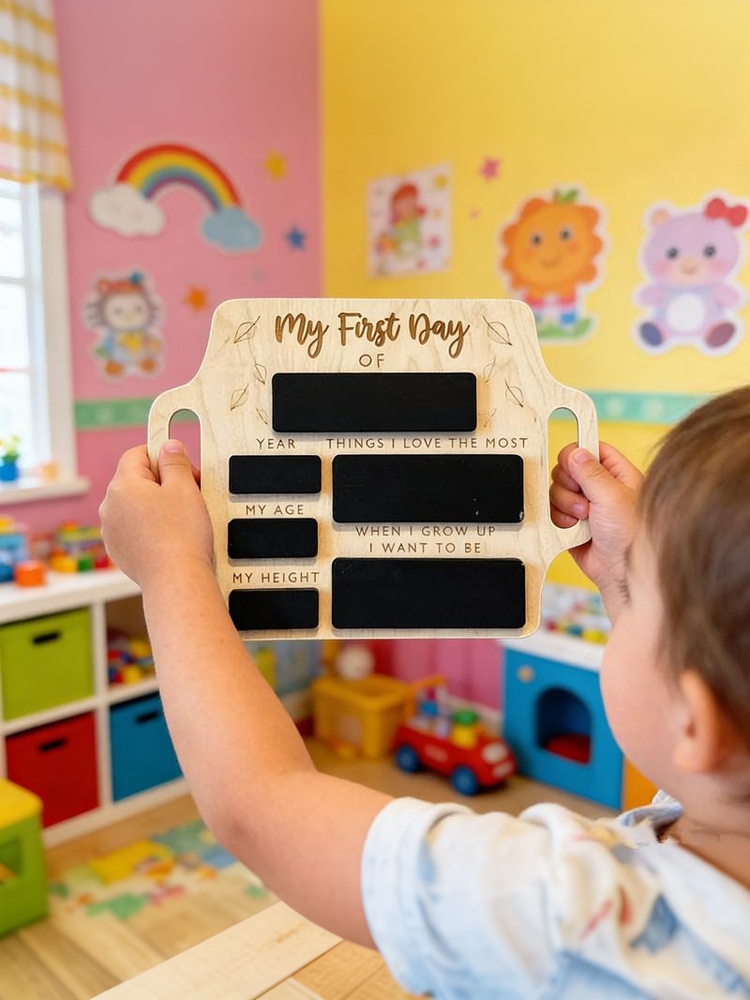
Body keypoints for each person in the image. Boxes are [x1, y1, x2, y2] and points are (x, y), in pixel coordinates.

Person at [99, 387, 750, 999]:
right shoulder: (716, 808)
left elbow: (259, 803)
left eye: (637, 593)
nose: (622, 592)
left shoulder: (566, 913)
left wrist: (170, 568)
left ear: (697, 725)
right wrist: (623, 572)